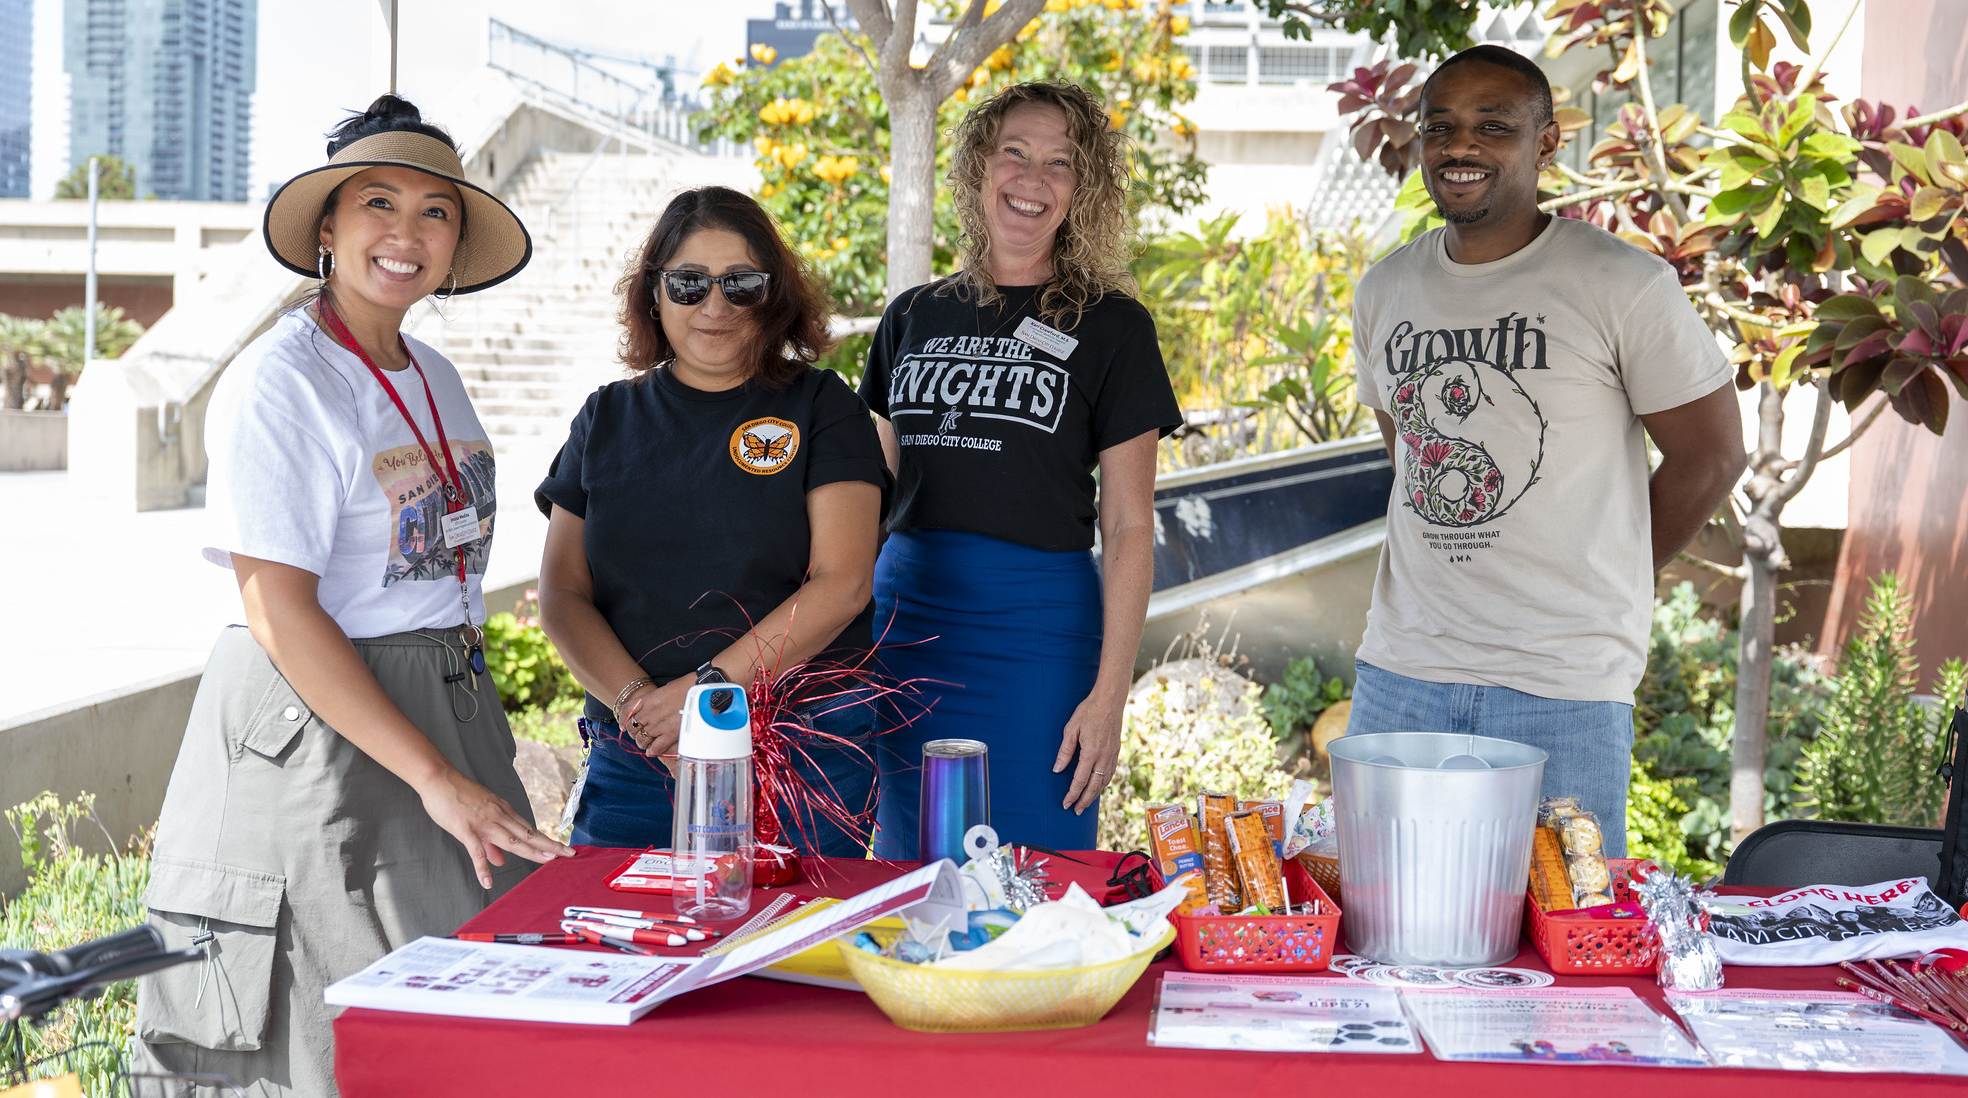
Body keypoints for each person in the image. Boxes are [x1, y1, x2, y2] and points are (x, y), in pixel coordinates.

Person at [134, 96, 566, 1097]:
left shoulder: (437, 374)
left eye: (433, 212)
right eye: (378, 203)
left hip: (439, 706)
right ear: (326, 228)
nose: (405, 234)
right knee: (324, 1031)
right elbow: (278, 608)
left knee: (455, 1002)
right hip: (319, 727)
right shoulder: (281, 381)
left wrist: (457, 759)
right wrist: (433, 773)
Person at [1344, 44, 1747, 846]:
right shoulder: (1385, 288)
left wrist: (1616, 568)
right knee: (1385, 925)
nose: (1460, 147)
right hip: (1403, 675)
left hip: (1561, 686)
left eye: (1493, 126)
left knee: (1566, 939)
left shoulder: (1620, 283)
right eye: (1441, 127)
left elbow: (1713, 455)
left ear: (1547, 142)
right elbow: (1411, 455)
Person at [859, 81, 1182, 855]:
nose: (1032, 180)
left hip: (1039, 634)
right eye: (1015, 153)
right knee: (912, 876)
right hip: (907, 633)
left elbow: (1132, 523)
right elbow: (865, 500)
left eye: (1060, 164)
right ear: (979, 168)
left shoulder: (1114, 327)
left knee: (1037, 874)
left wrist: (1111, 695)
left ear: (1083, 188)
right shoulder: (911, 315)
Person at [536, 187, 888, 853]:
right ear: (655, 293)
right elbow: (562, 593)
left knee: (784, 952)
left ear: (774, 293)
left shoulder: (823, 407)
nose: (715, 304)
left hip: (799, 749)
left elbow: (843, 583)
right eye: (690, 282)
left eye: (742, 283)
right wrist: (645, 710)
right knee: (618, 949)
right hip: (638, 754)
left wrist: (704, 698)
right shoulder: (605, 417)